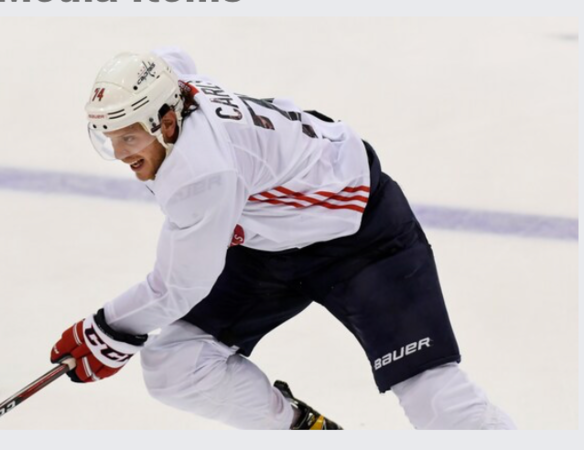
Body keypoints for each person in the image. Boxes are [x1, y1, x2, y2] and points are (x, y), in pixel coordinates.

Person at [50, 47, 516, 430]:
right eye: (108, 137)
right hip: (269, 243)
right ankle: (307, 434)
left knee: (432, 395)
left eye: (129, 139)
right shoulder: (175, 97)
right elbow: (173, 58)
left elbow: (178, 286)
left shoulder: (202, 172)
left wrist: (106, 329)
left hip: (360, 235)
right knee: (175, 366)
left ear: (167, 122)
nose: (118, 153)